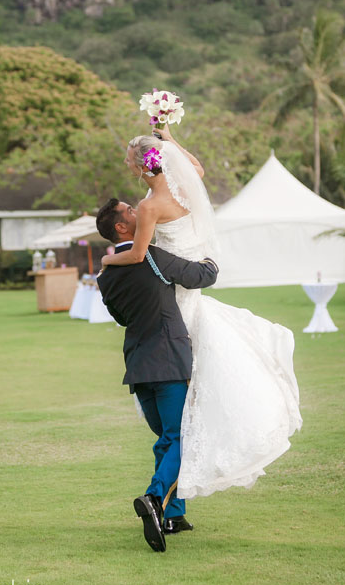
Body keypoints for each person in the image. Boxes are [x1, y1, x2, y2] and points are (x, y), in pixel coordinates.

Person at [100, 125, 302, 499]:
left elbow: (141, 254)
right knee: (185, 416)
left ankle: (165, 499)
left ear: (144, 167)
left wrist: (109, 259)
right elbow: (198, 169)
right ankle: (171, 508)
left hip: (174, 295)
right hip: (193, 272)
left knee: (179, 420)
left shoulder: (148, 206)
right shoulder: (181, 187)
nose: (127, 166)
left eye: (130, 161)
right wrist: (171, 137)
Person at [96, 198, 219, 552]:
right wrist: (210, 254)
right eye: (130, 211)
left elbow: (121, 317)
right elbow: (202, 276)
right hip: (168, 362)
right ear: (122, 227)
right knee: (182, 436)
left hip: (138, 367)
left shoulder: (106, 275)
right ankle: (154, 497)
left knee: (167, 439)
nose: (139, 211)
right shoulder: (152, 257)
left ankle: (172, 514)